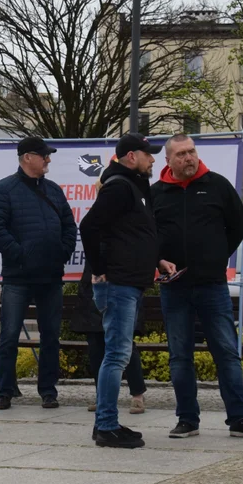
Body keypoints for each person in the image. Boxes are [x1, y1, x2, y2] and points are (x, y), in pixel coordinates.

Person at [151, 133, 243, 440]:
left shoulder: (217, 185)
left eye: (192, 152)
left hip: (212, 286)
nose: (189, 158)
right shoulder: (157, 194)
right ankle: (187, 418)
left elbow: (238, 226)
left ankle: (239, 419)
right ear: (169, 161)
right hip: (174, 289)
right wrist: (159, 260)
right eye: (181, 154)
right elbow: (147, 237)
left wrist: (215, 257)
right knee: (179, 356)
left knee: (227, 352)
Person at [80, 133, 169, 448]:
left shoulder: (132, 186)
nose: (153, 159)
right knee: (116, 354)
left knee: (118, 353)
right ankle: (106, 426)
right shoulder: (119, 187)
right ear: (132, 156)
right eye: (148, 154)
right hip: (118, 283)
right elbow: (89, 226)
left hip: (128, 281)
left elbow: (134, 234)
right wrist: (101, 269)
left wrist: (157, 261)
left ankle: (107, 423)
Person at [0, 136, 77, 410]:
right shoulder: (3, 190)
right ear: (27, 157)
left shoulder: (54, 191)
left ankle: (48, 390)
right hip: (18, 277)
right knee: (10, 335)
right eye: (44, 155)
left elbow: (70, 227)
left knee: (51, 336)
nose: (48, 159)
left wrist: (61, 252)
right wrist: (21, 255)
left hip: (50, 277)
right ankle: (5, 391)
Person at [72, 263, 147, 415]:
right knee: (95, 346)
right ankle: (102, 397)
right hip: (93, 285)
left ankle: (137, 394)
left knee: (125, 345)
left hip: (121, 281)